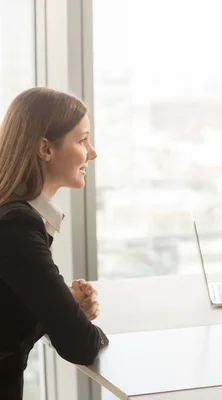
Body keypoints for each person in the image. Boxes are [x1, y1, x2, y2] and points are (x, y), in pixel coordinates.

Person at [0, 87, 109, 398]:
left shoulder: (13, 217)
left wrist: (62, 303)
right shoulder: (16, 227)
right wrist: (67, 313)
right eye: (82, 139)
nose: (92, 152)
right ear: (45, 149)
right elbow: (81, 345)